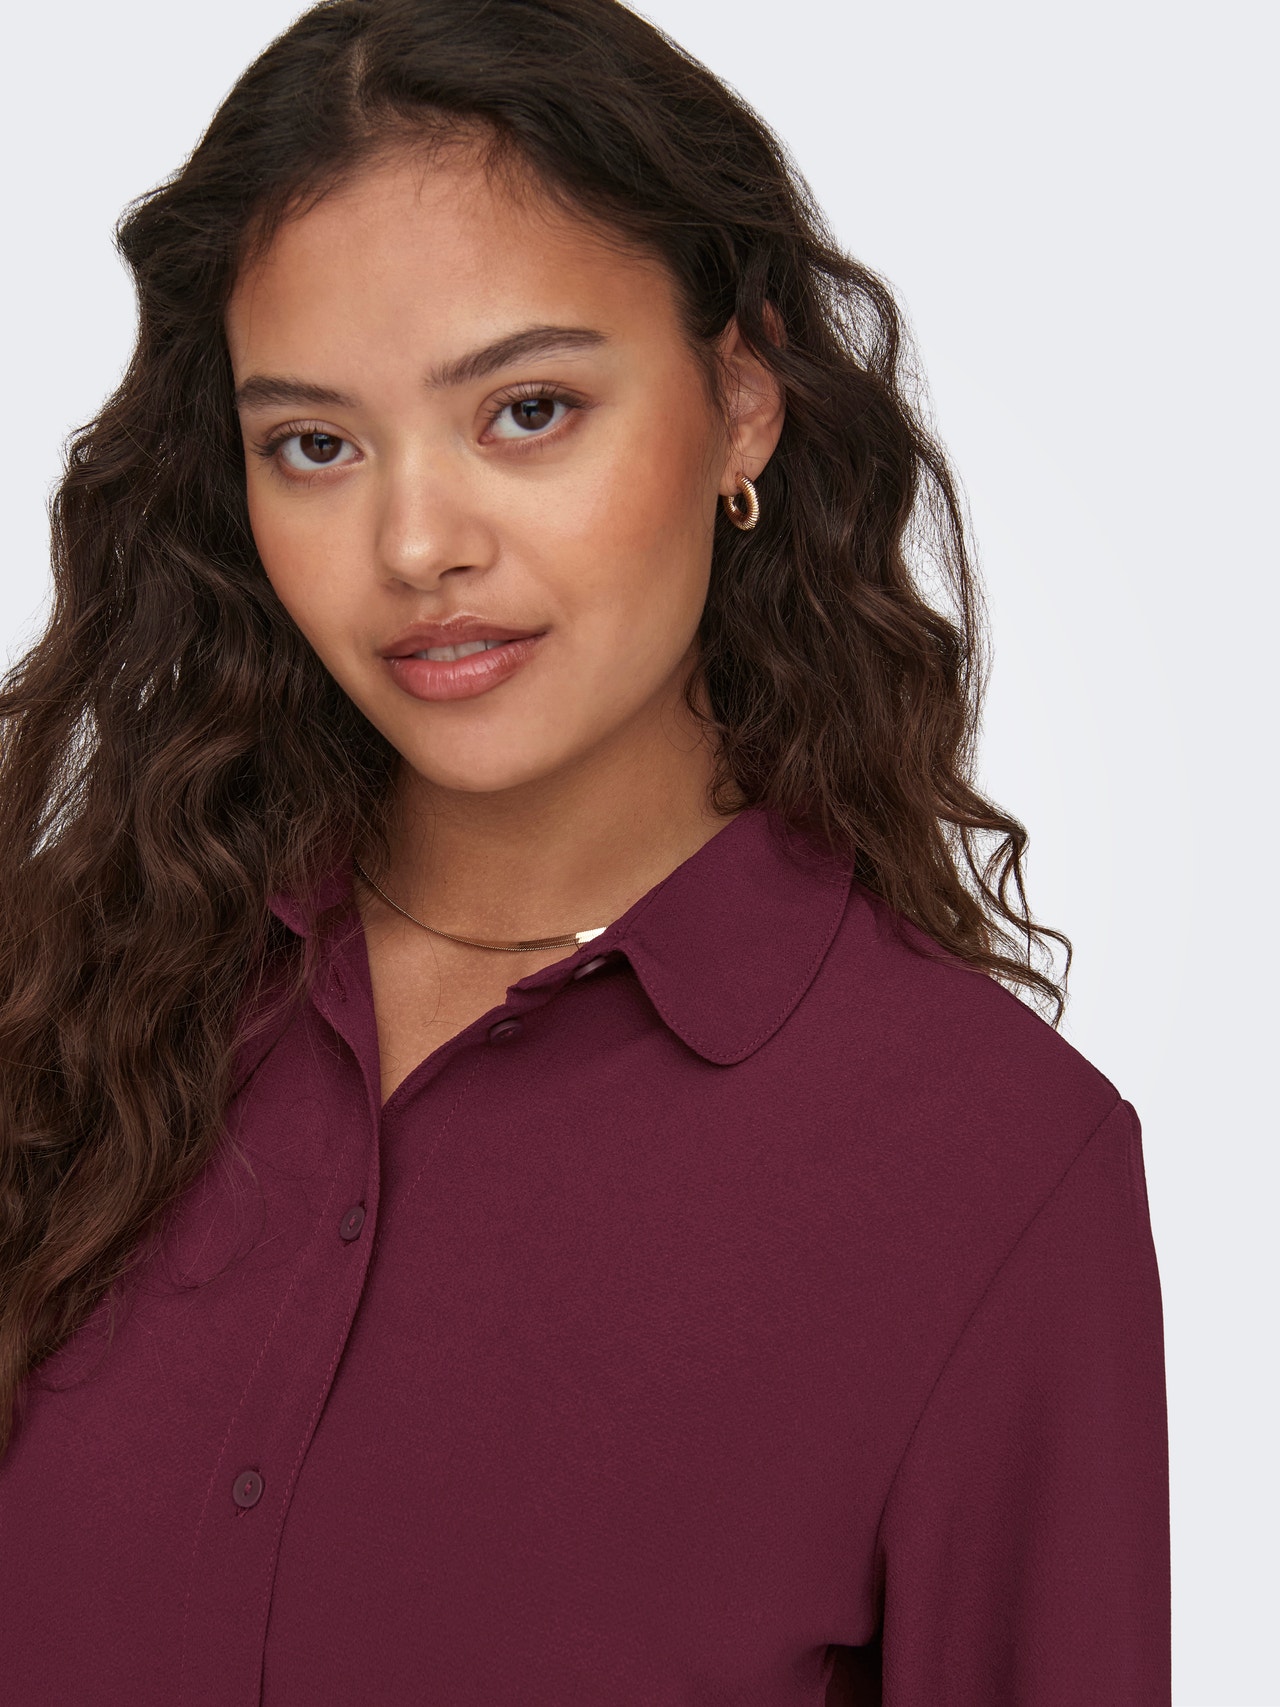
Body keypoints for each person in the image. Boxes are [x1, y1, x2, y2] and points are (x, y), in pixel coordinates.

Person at [0, 0, 1169, 1701]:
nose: (416, 543)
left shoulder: (988, 1171)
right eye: (315, 445)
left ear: (742, 402)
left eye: (527, 409)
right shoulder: (60, 1010)